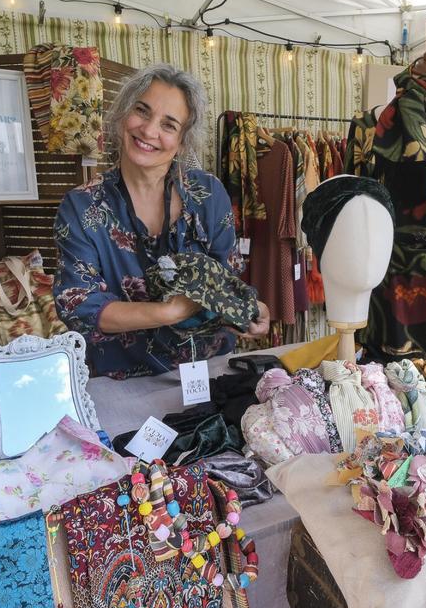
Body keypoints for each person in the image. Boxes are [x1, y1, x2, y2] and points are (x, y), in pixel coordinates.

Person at [53, 63, 269, 378]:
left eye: (169, 125)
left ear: (182, 140)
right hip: (121, 380)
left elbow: (225, 278)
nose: (150, 131)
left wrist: (249, 309)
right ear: (123, 114)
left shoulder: (208, 194)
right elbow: (79, 305)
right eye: (142, 111)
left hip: (208, 370)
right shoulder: (82, 207)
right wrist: (169, 312)